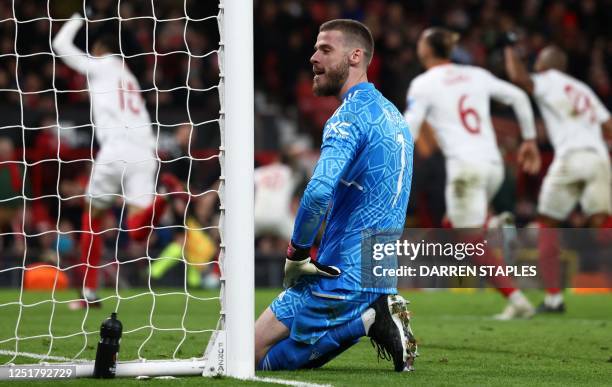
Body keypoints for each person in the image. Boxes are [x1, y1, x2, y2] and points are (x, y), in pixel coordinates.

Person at [255, 19, 418, 372]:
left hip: (341, 271)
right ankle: (369, 318)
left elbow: (317, 193)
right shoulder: (393, 115)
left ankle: (368, 320)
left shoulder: (348, 117)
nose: (314, 57)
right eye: (315, 48)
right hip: (379, 268)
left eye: (325, 50)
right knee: (249, 350)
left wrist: (297, 252)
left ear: (356, 56)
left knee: (247, 358)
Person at [404, 28, 541, 320]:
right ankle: (494, 223)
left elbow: (410, 129)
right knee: (452, 223)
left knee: (469, 239)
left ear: (427, 50)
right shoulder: (476, 74)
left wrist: (394, 161)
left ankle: (517, 300)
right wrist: (529, 140)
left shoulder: (423, 84)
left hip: (465, 170)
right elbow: (518, 96)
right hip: (494, 166)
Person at [53, 14, 181, 309]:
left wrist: (77, 17)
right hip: (144, 153)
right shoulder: (131, 78)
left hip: (116, 148)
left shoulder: (100, 66)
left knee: (92, 219)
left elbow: (60, 44)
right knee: (138, 230)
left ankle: (89, 293)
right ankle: (162, 199)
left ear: (99, 49)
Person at [505, 44, 612, 312]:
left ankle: (554, 299)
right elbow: (608, 125)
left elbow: (519, 78)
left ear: (545, 63)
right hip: (599, 157)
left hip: (571, 157)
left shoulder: (548, 80)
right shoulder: (582, 89)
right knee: (603, 224)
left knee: (546, 224)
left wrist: (508, 48)